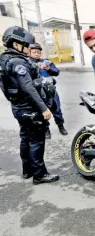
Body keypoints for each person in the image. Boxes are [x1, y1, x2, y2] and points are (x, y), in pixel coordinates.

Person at [0, 26, 59, 184]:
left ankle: (27, 171)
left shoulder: (5, 59)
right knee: (37, 141)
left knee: (25, 138)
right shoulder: (18, 62)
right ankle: (40, 174)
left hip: (18, 107)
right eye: (26, 45)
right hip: (29, 108)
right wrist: (44, 109)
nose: (28, 48)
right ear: (16, 44)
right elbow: (28, 87)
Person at [28, 42, 68, 139]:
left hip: (51, 91)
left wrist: (48, 68)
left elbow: (56, 72)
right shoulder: (28, 64)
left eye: (38, 52)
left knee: (57, 109)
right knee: (42, 112)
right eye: (34, 52)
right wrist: (34, 68)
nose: (36, 54)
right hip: (38, 93)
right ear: (29, 53)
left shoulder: (46, 62)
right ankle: (46, 130)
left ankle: (61, 126)